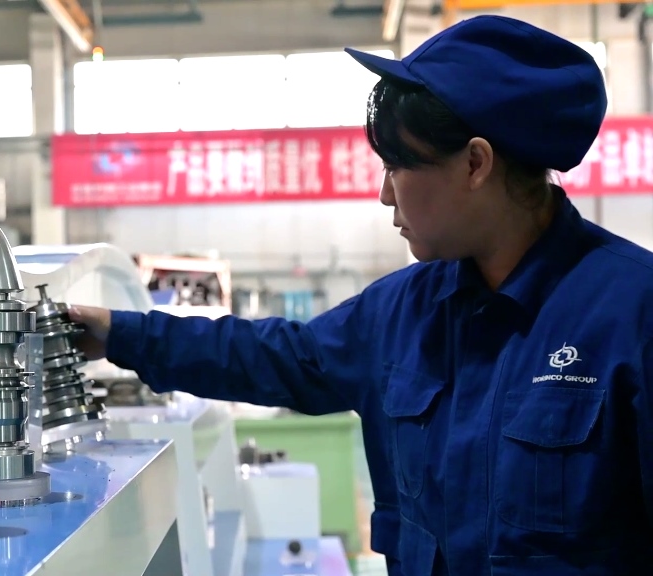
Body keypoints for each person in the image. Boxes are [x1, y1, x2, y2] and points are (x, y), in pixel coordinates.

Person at [67, 14, 653, 576]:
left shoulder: (634, 314)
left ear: (476, 163)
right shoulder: (403, 313)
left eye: (396, 166)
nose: (384, 195)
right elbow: (273, 355)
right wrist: (119, 333)